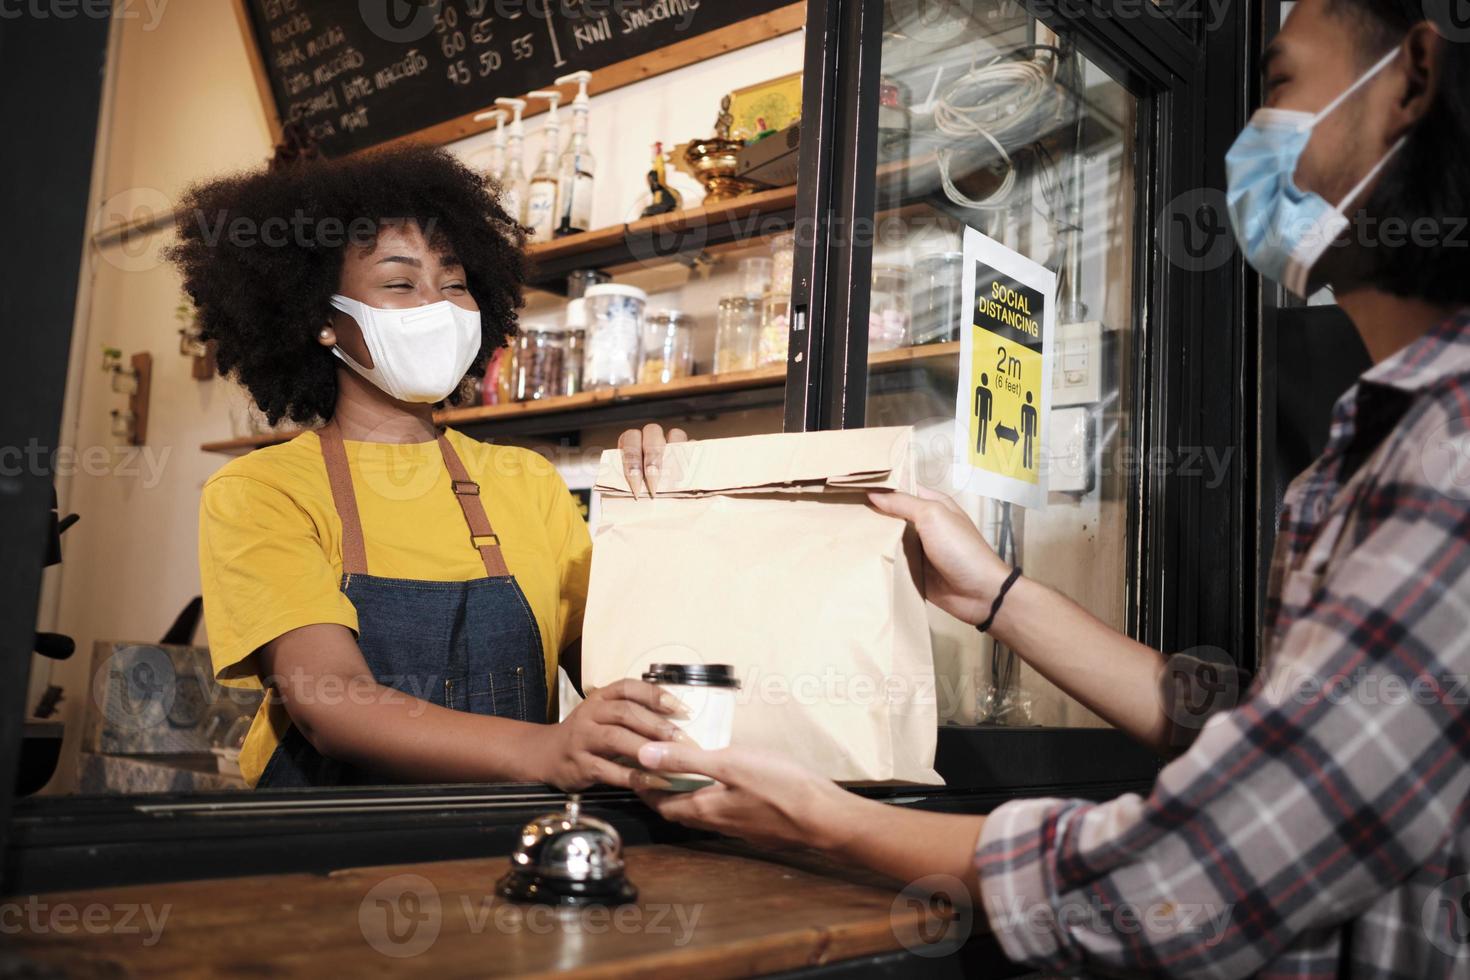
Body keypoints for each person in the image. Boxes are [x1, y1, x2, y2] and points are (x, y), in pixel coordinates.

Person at [623, 1, 1470, 974]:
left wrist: (821, 817)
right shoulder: (1386, 437)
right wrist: (991, 592)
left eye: (1278, 85)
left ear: (1409, 78)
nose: (1250, 142)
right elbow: (1261, 729)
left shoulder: (1449, 447)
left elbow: (1194, 874)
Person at [174, 145, 685, 789]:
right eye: (399, 283)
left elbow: (619, 672)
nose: (437, 306)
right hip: (325, 852)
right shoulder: (262, 491)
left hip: (507, 839)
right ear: (322, 320)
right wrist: (544, 752)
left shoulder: (526, 482)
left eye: (453, 283)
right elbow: (331, 702)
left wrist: (670, 522)